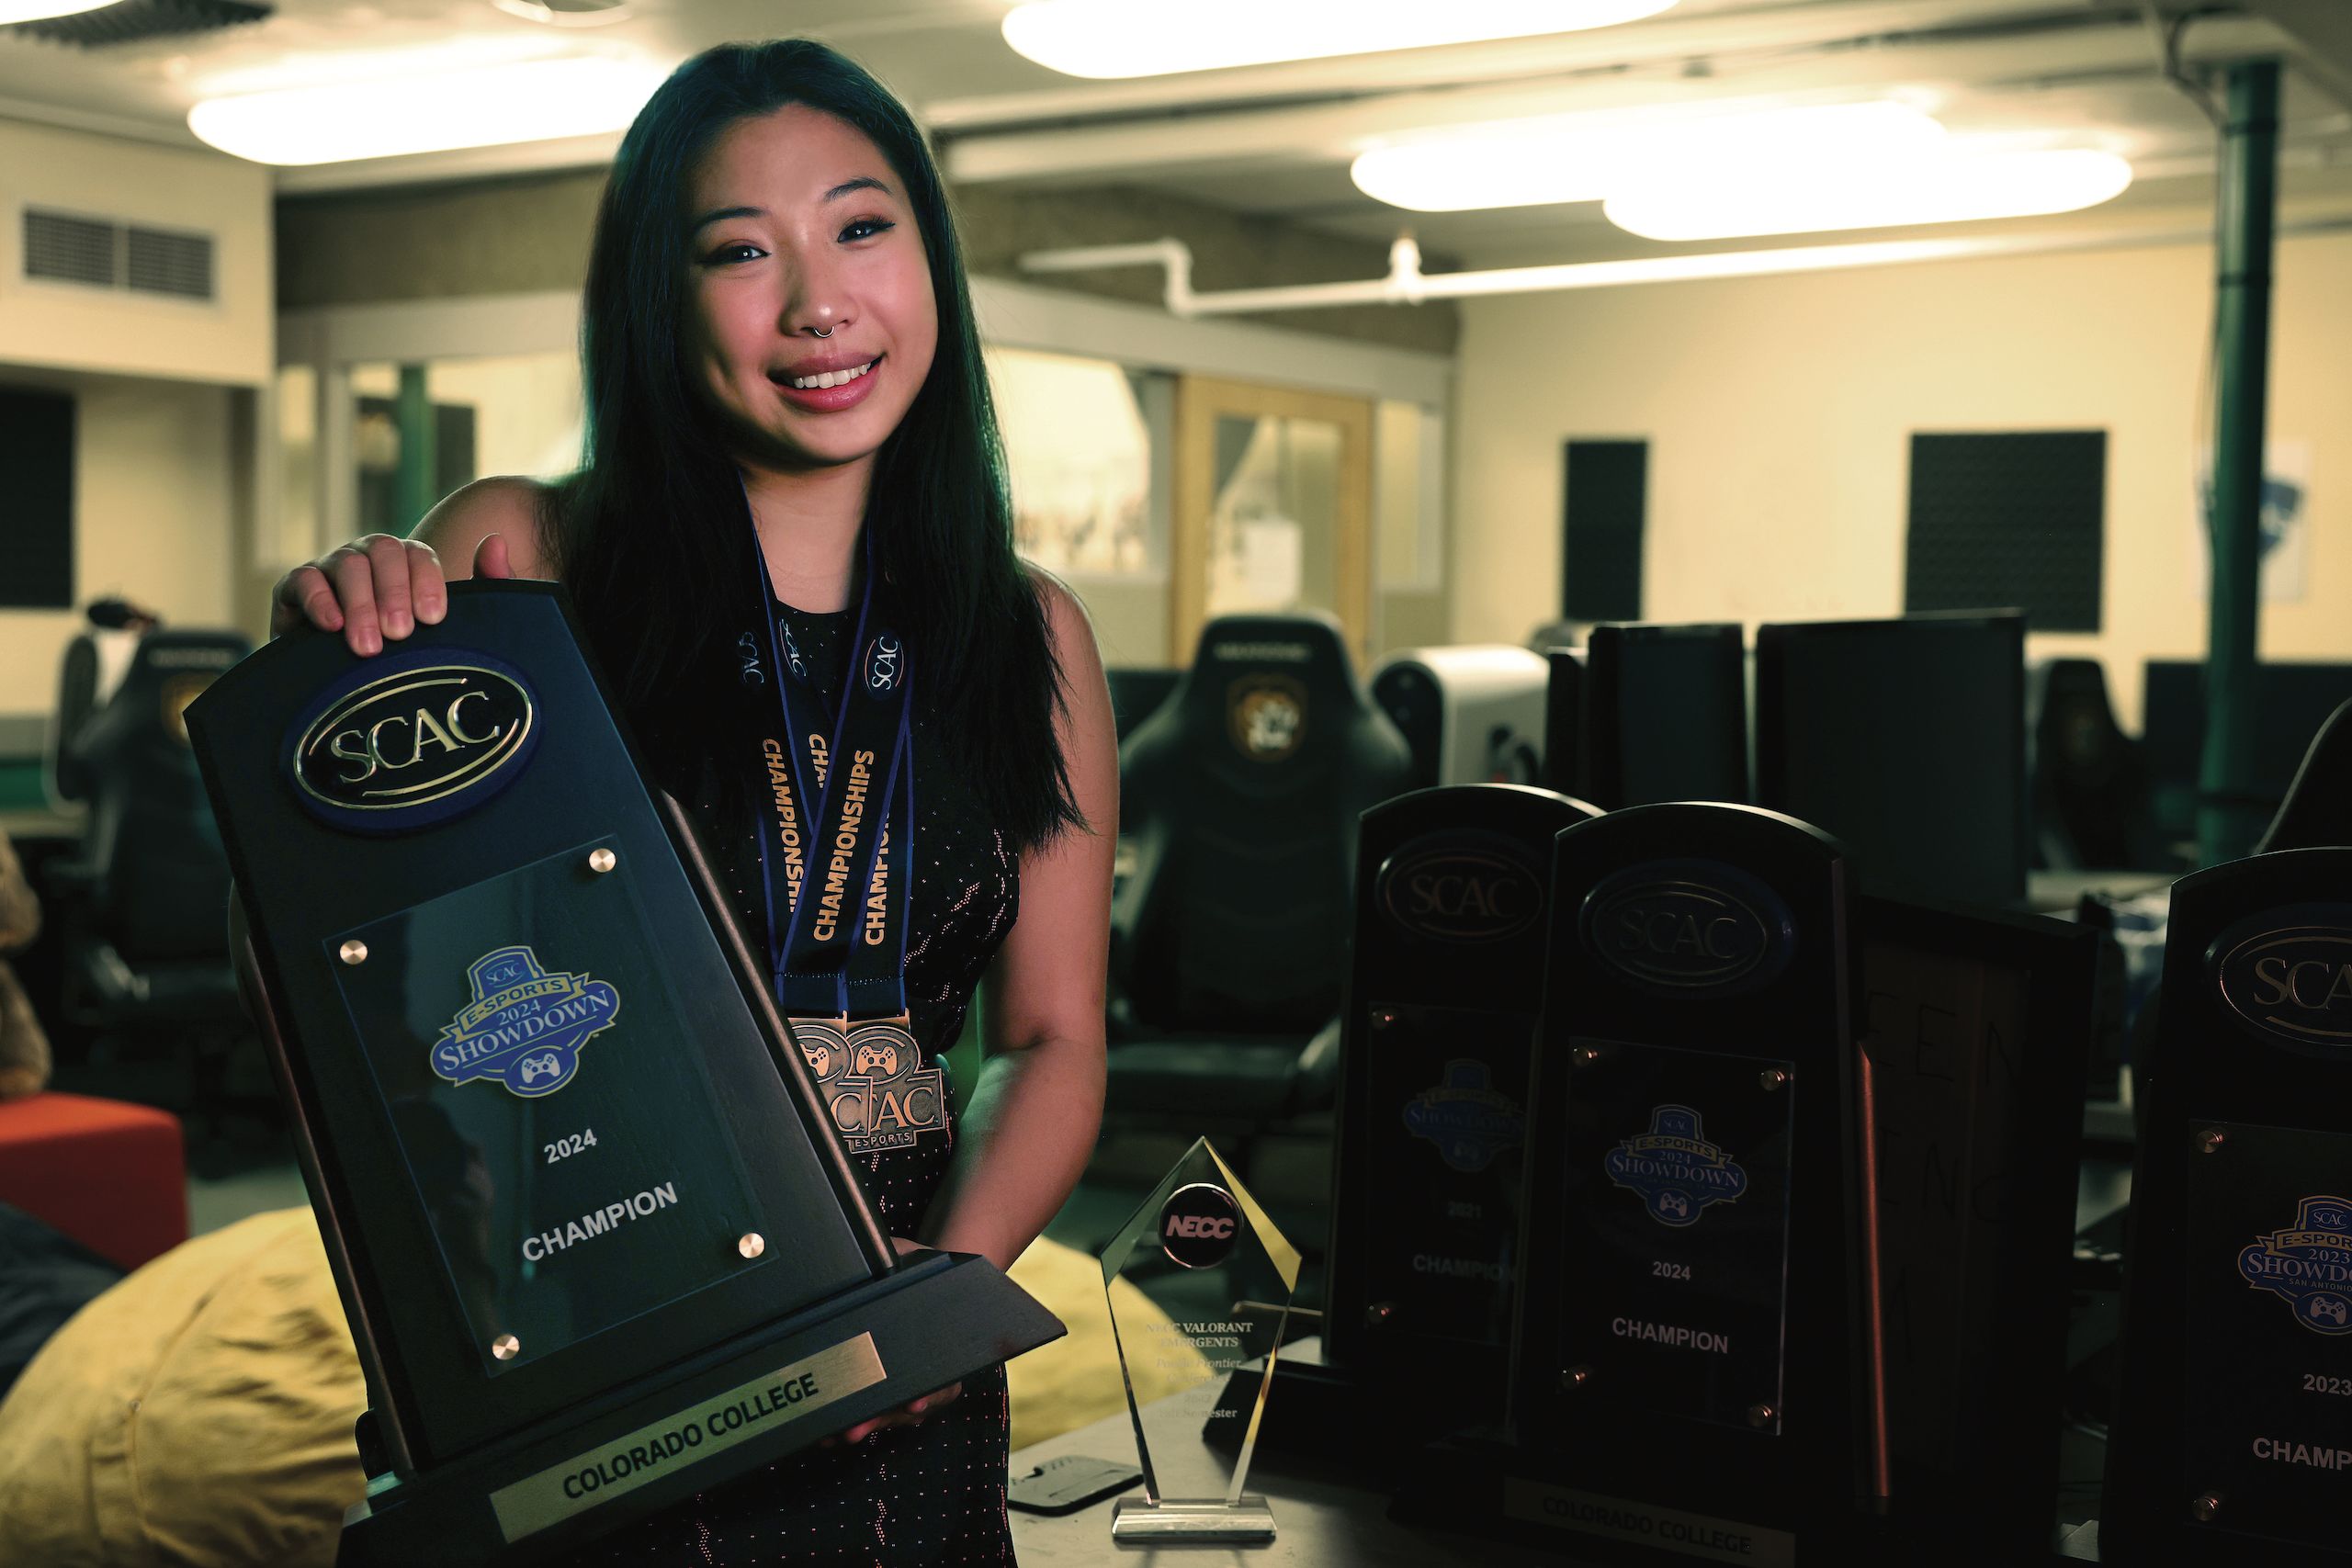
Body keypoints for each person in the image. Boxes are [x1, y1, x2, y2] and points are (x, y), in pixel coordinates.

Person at [269, 38, 1116, 1565]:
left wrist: (931, 1304)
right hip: (591, 1343)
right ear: (657, 300)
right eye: (741, 251)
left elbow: (1052, 1039)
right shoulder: (523, 561)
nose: (818, 303)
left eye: (864, 228)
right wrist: (330, 663)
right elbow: (359, 974)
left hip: (903, 1384)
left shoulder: (1030, 629)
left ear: (932, 262)